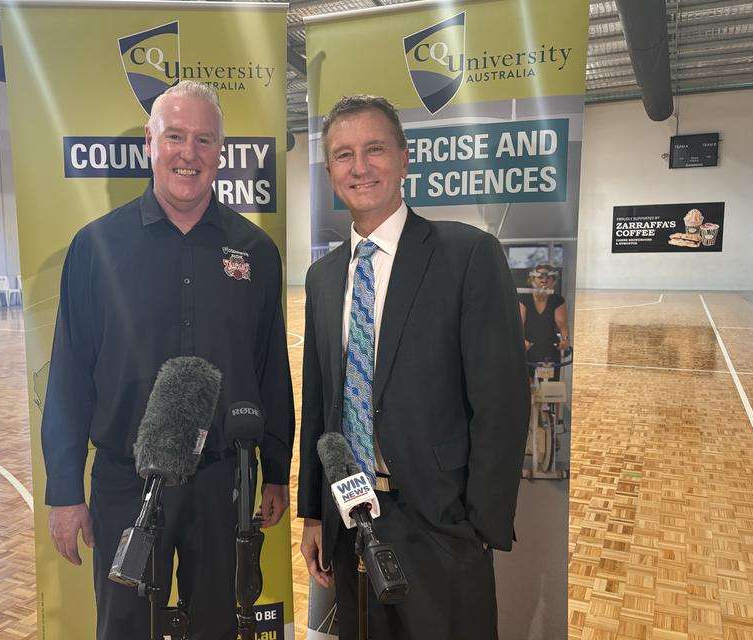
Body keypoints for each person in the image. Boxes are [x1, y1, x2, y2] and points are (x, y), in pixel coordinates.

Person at [41, 81, 294, 640]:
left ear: (220, 153)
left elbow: (270, 367)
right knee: (126, 627)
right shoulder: (95, 248)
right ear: (150, 145)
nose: (189, 152)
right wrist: (64, 490)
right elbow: (68, 378)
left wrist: (277, 470)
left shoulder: (255, 252)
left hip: (222, 482)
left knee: (218, 627)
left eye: (204, 140)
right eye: (174, 136)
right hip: (123, 480)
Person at [297, 95, 529, 639]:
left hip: (440, 526)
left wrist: (475, 525)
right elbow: (320, 402)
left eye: (374, 149)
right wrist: (313, 511)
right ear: (330, 171)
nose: (360, 167)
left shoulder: (468, 254)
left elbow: (502, 402)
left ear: (404, 158)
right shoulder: (323, 276)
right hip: (349, 518)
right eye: (343, 154)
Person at [518, 264, 570, 375]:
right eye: (540, 278)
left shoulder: (557, 300)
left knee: (550, 388)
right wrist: (522, 340)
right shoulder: (524, 299)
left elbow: (562, 324)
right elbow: (519, 324)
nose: (544, 281)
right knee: (528, 386)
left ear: (553, 281)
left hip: (550, 350)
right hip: (528, 349)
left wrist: (565, 340)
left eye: (548, 278)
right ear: (533, 280)